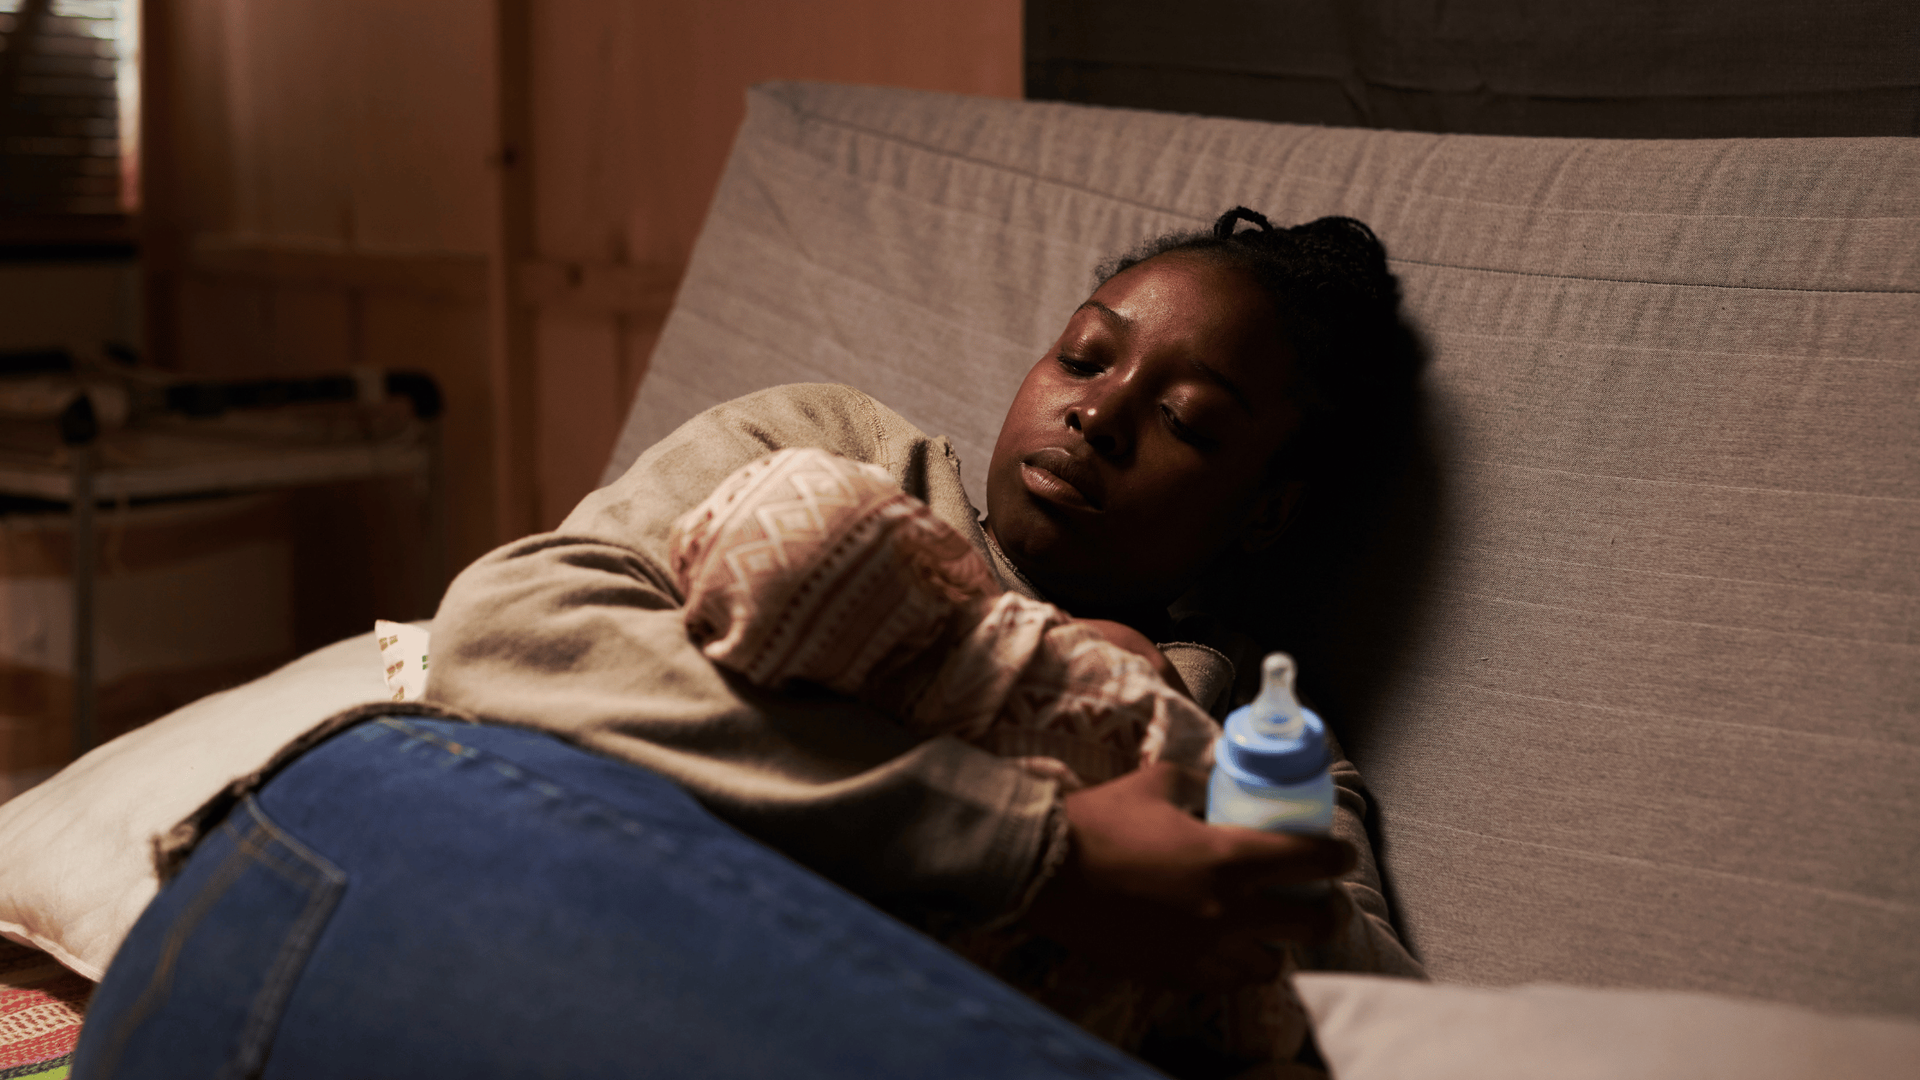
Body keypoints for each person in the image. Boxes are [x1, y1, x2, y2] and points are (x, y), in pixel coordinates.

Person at [74, 208, 1423, 1079]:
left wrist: (1193, 836)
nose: (1100, 417)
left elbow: (1381, 1014)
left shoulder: (1249, 724)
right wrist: (1026, 847)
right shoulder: (834, 464)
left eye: (1188, 418)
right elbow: (522, 627)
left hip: (827, 1028)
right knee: (375, 778)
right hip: (537, 912)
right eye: (1086, 358)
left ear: (1270, 509)